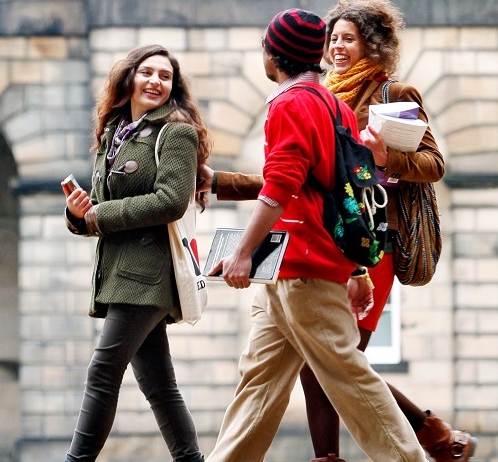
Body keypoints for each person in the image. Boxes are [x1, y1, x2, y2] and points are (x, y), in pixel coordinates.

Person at [201, 1, 476, 461]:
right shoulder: (334, 103)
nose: (339, 46)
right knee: (261, 382)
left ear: (274, 54)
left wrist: (246, 250)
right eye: (333, 39)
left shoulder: (314, 102)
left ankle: (422, 446)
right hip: (300, 262)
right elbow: (316, 182)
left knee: (344, 373)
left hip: (317, 257)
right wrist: (222, 183)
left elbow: (288, 184)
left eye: (349, 38)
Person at [62, 44, 210, 462]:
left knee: (102, 373)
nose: (156, 82)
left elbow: (170, 201)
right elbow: (96, 205)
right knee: (160, 387)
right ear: (129, 78)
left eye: (165, 76)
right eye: (148, 72)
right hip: (119, 273)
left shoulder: (176, 131)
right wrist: (78, 214)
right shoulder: (114, 133)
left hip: (147, 274)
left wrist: (98, 216)